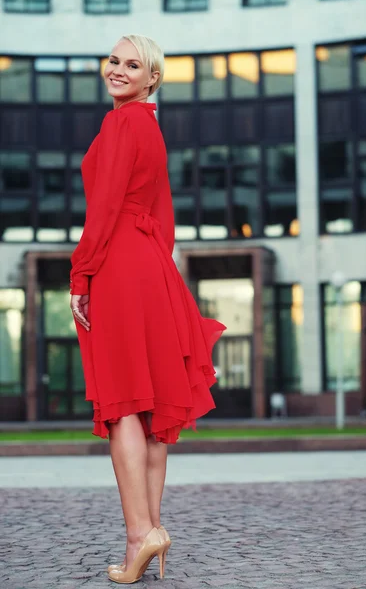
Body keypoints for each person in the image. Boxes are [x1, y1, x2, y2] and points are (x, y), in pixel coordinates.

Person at [69, 34, 226, 584]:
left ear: (151, 78)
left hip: (119, 265)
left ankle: (141, 535)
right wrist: (158, 271)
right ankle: (149, 533)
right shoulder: (150, 126)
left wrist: (80, 274)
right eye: (114, 59)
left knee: (123, 405)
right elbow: (163, 214)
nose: (118, 69)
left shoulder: (122, 124)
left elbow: (106, 206)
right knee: (152, 408)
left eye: (132, 65)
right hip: (153, 266)